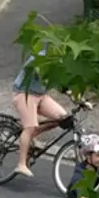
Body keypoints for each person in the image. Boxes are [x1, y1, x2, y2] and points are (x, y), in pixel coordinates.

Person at [12, 50, 70, 178]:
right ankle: (21, 164)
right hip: (24, 93)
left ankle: (31, 136)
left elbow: (63, 83)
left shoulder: (61, 61)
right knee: (29, 127)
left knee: (62, 118)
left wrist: (80, 100)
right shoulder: (40, 58)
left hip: (40, 95)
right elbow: (45, 75)